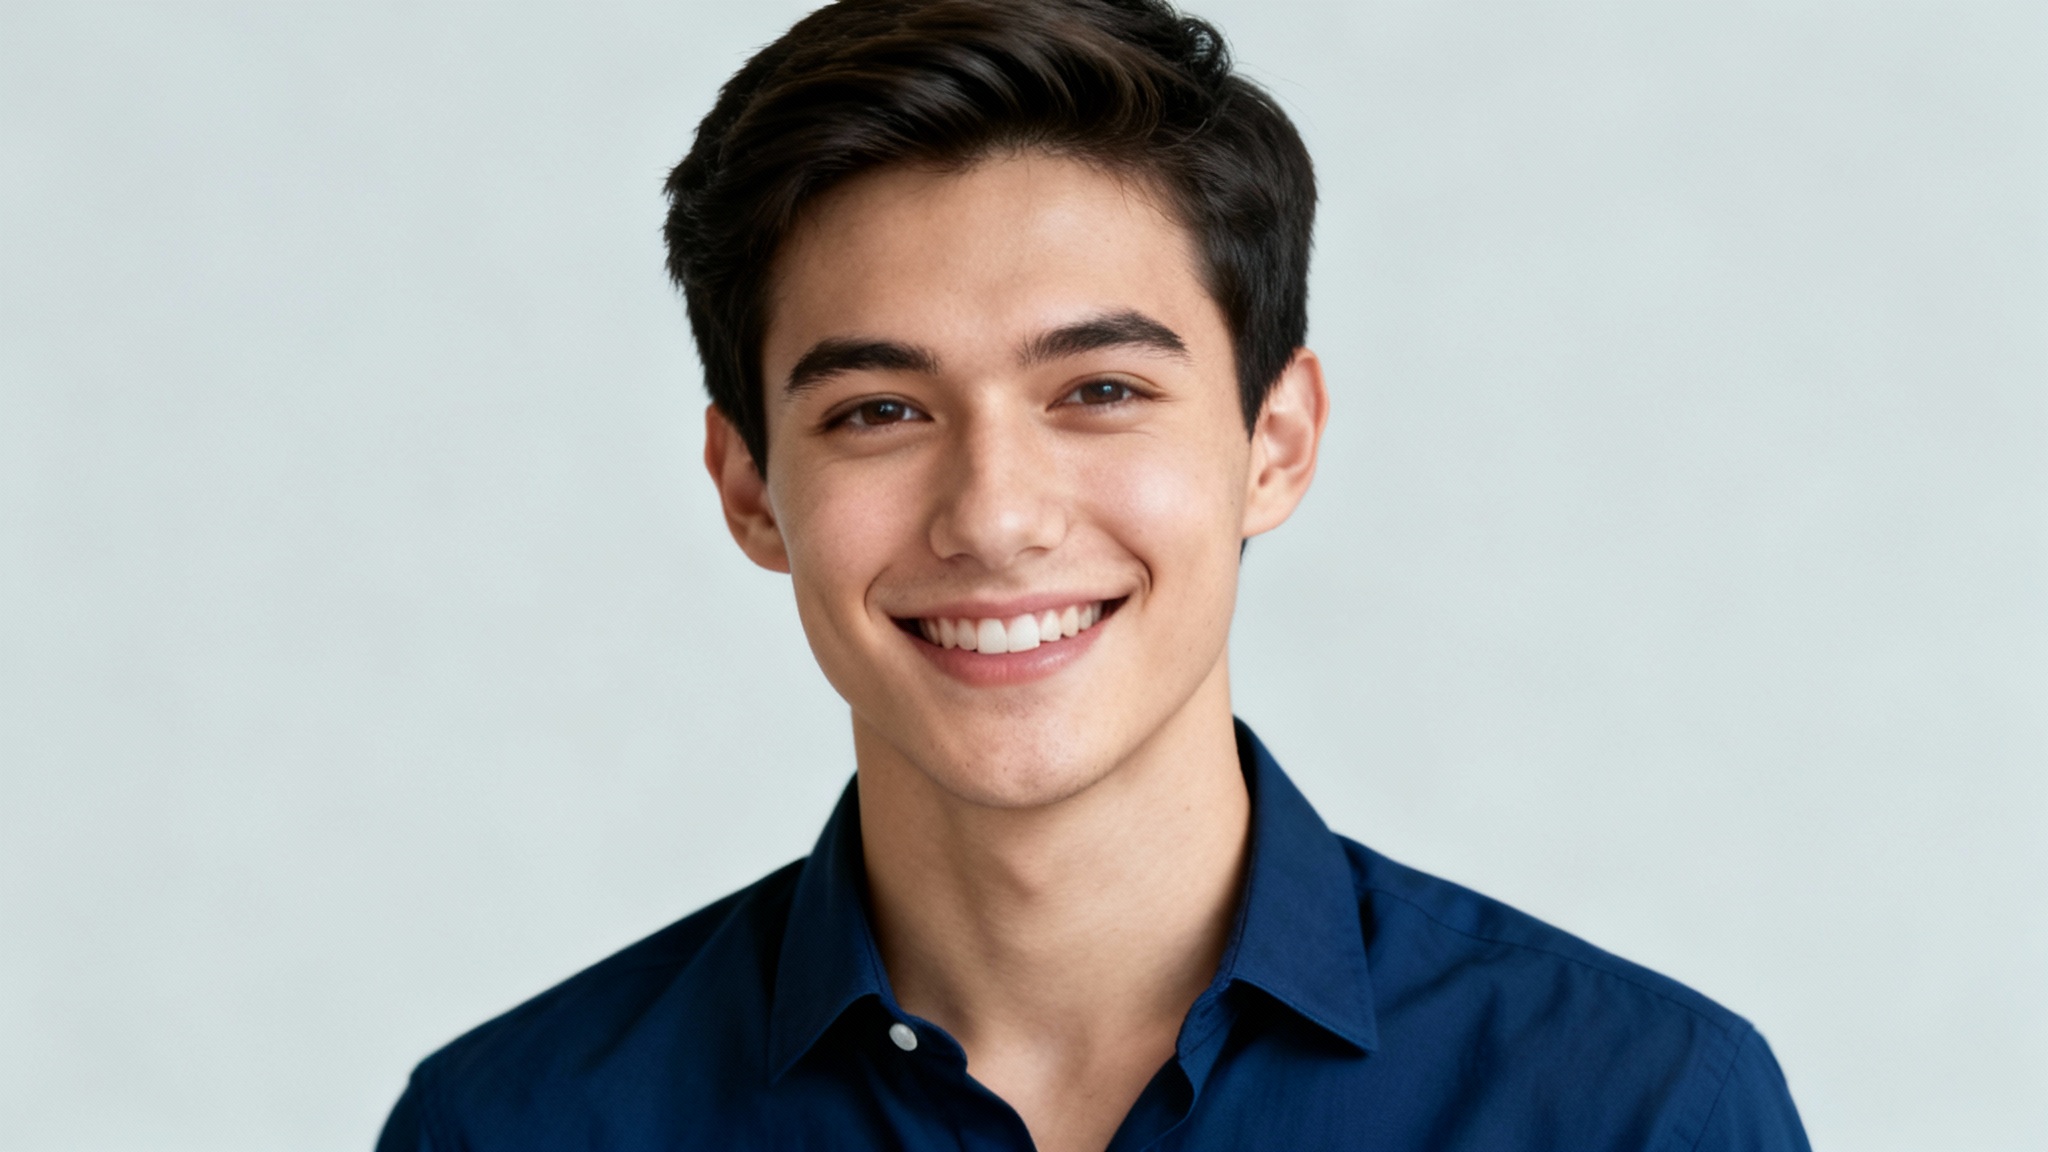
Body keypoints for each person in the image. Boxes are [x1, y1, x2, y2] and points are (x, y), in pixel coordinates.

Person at [375, 1, 1810, 1148]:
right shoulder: (516, 1126)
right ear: (752, 488)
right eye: (879, 411)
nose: (994, 517)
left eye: (1100, 390)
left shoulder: (1632, 1111)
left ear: (1277, 441)